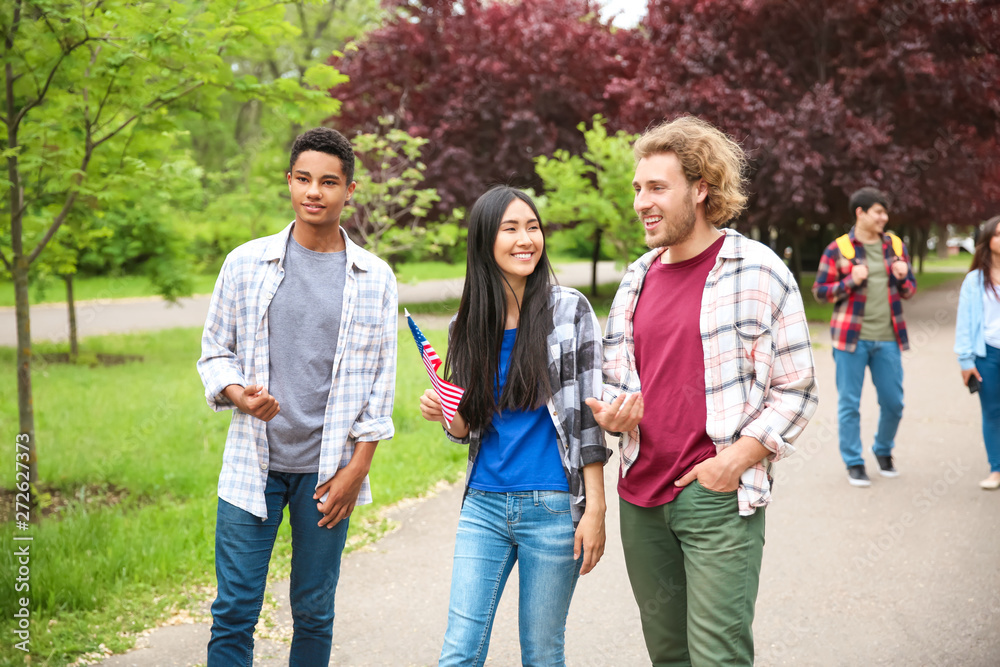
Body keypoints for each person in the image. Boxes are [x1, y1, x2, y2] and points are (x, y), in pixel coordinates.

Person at [586, 116, 818, 666]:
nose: (642, 201)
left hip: (714, 495)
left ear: (701, 188)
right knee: (668, 656)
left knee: (718, 657)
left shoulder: (759, 271)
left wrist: (734, 461)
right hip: (640, 497)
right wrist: (617, 417)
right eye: (638, 188)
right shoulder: (635, 280)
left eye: (657, 188)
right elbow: (619, 382)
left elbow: (797, 390)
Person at [197, 127, 397, 665]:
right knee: (235, 609)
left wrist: (358, 470)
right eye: (304, 179)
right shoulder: (245, 263)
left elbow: (381, 385)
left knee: (313, 609)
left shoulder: (374, 277)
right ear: (289, 181)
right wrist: (239, 394)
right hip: (252, 466)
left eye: (329, 182)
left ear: (349, 190)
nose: (315, 192)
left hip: (328, 472)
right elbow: (215, 350)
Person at [418, 186, 609, 667]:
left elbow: (589, 419)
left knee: (542, 655)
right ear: (485, 240)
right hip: (482, 504)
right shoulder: (466, 322)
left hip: (552, 508)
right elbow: (466, 429)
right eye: (510, 229)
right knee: (459, 652)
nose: (526, 239)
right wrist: (446, 409)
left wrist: (596, 509)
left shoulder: (570, 310)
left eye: (532, 227)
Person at [813, 187, 917, 487]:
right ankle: (854, 462)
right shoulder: (838, 249)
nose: (884, 217)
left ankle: (883, 450)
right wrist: (849, 281)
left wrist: (902, 275)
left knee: (894, 402)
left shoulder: (896, 246)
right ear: (860, 213)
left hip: (888, 338)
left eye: (885, 212)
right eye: (878, 211)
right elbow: (820, 291)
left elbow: (909, 291)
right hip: (850, 340)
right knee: (850, 403)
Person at [955, 215, 1000, 490]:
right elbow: (964, 322)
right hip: (988, 355)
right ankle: (996, 469)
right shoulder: (975, 280)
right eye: (998, 234)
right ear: (988, 240)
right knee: (993, 413)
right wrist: (965, 360)